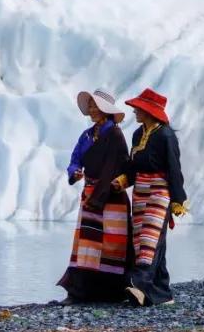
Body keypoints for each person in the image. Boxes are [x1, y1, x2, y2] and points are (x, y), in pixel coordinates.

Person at [57, 88, 131, 304]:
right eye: (89, 105)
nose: (90, 109)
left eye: (94, 105)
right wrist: (75, 172)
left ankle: (109, 293)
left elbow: (116, 166)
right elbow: (75, 159)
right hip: (91, 194)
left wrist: (99, 195)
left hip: (110, 196)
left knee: (110, 245)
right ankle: (79, 292)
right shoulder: (87, 135)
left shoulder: (115, 135)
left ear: (104, 110)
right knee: (87, 245)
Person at [122, 87, 187, 308]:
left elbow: (174, 168)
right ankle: (162, 292)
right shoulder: (137, 134)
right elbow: (132, 167)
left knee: (150, 239)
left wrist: (178, 200)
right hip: (140, 191)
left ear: (148, 111)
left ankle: (138, 285)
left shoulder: (166, 136)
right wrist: (122, 181)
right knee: (143, 239)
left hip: (160, 190)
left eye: (138, 109)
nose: (134, 112)